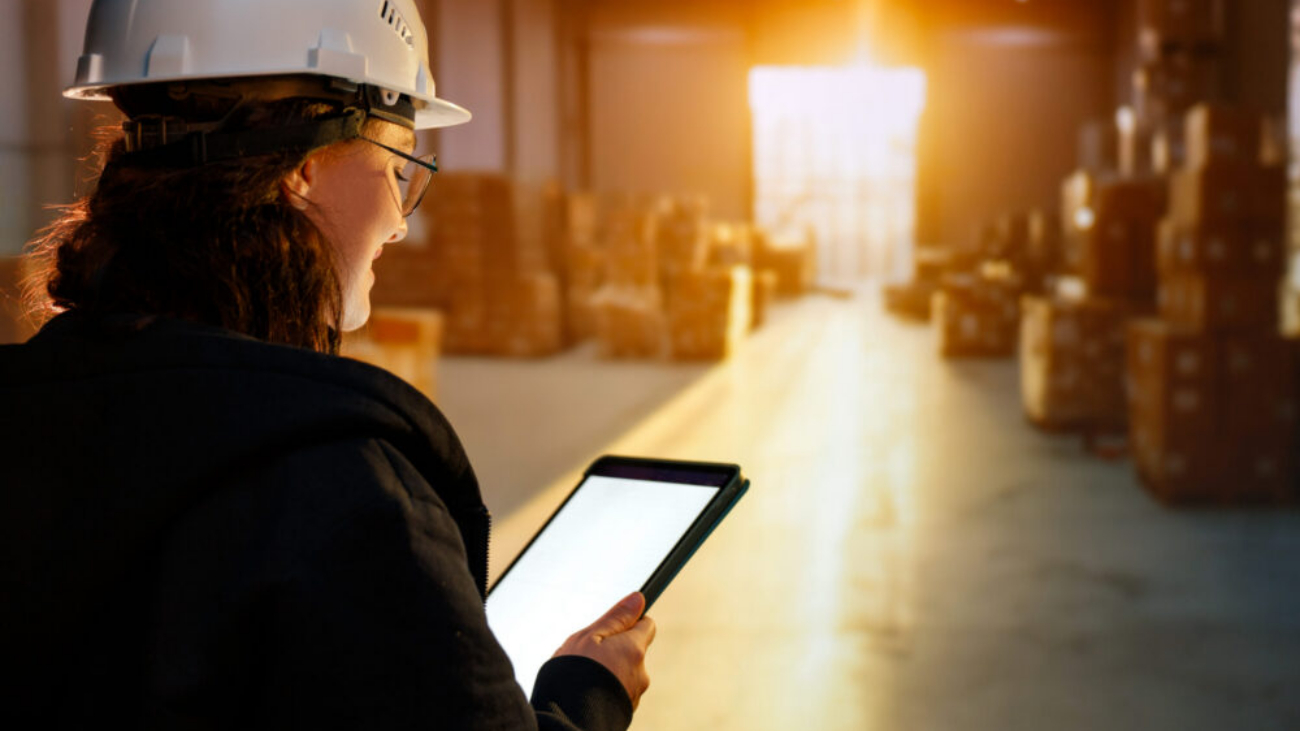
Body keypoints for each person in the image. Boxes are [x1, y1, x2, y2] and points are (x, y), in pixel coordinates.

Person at [0, 0, 654, 727]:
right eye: (400, 168)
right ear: (304, 169)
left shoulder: (28, 416)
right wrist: (585, 694)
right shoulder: (345, 501)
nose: (402, 222)